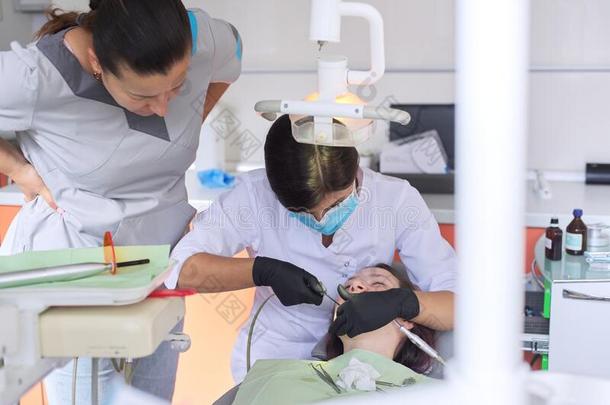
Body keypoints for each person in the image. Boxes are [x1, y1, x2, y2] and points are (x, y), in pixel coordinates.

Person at [0, 0, 242, 402]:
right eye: (142, 95)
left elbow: (233, 51)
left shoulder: (198, 36)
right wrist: (20, 169)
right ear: (97, 62)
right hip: (72, 276)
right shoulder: (35, 76)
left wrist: (189, 126)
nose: (163, 107)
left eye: (177, 86)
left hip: (158, 272)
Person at [170, 114, 456, 383]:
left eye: (336, 205)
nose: (322, 220)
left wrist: (404, 303)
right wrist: (262, 271)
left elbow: (460, 304)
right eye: (302, 211)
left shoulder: (395, 200)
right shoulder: (253, 196)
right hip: (275, 364)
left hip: (363, 372)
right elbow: (181, 269)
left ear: (354, 170)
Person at [222, 264, 436, 405]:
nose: (354, 286)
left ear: (407, 319)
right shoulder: (271, 377)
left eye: (378, 283)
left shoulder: (435, 396)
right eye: (348, 285)